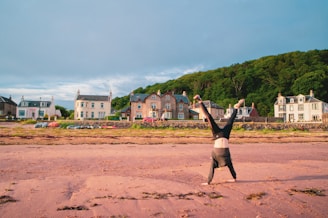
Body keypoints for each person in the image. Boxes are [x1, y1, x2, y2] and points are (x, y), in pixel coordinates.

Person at [193, 94, 244, 185]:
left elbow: (214, 169)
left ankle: (200, 101)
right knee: (225, 121)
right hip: (222, 140)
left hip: (218, 141)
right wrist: (234, 178)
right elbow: (231, 168)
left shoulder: (216, 159)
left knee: (213, 119)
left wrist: (208, 182)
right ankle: (236, 108)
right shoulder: (224, 160)